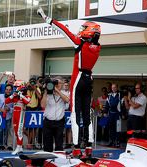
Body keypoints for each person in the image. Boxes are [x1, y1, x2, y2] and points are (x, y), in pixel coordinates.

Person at [37, 7, 101, 155]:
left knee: (74, 113)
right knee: (87, 114)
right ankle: (89, 146)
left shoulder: (80, 43)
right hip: (89, 78)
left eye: (84, 28)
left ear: (89, 31)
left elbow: (64, 31)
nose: (81, 30)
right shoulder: (97, 47)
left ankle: (77, 148)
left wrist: (48, 19)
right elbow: (93, 42)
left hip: (78, 78)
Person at [41, 77, 69, 152]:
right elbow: (43, 105)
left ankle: (58, 161)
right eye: (55, 83)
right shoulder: (48, 94)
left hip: (59, 122)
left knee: (59, 144)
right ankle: (47, 159)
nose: (57, 84)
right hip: (48, 122)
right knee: (47, 144)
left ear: (62, 84)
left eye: (59, 83)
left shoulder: (65, 93)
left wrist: (57, 90)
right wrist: (46, 92)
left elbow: (66, 100)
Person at [5, 80, 30, 155]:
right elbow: (6, 101)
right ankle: (20, 147)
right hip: (15, 114)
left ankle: (19, 146)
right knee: (16, 131)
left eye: (16, 87)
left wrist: (21, 95)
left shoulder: (26, 95)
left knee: (19, 131)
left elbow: (28, 101)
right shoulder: (15, 96)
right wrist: (13, 95)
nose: (15, 88)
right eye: (15, 87)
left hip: (21, 114)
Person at [0, 84, 14, 150]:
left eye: (9, 90)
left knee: (8, 131)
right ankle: (0, 144)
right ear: (4, 90)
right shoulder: (0, 96)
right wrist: (1, 109)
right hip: (0, 117)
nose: (8, 91)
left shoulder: (13, 98)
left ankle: (8, 145)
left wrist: (9, 109)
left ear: (12, 91)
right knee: (0, 131)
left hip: (8, 116)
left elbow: (14, 108)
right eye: (7, 89)